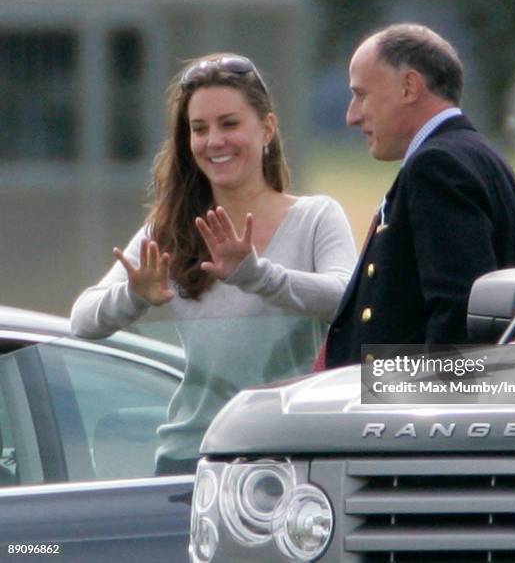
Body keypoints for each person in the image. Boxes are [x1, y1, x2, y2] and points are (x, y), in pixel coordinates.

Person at [71, 53, 356, 474]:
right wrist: (134, 295)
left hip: (292, 450)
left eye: (229, 124)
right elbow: (82, 321)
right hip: (193, 455)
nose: (214, 141)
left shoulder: (316, 216)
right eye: (199, 129)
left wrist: (257, 276)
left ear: (267, 129)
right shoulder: (169, 227)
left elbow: (344, 297)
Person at [324, 23, 515, 369]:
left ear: (409, 87)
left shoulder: (436, 166)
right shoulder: (476, 156)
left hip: (416, 413)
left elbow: (458, 314)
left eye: (362, 94)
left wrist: (431, 414)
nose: (352, 115)